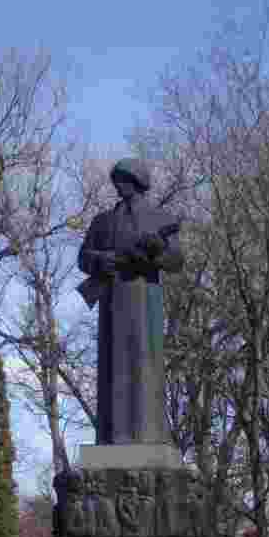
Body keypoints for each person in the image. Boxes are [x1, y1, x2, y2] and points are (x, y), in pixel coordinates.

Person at [77, 158, 184, 445]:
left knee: (144, 362)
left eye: (123, 179)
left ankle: (147, 436)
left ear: (137, 181)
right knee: (113, 364)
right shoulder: (103, 221)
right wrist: (103, 260)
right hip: (112, 298)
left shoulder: (161, 219)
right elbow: (83, 257)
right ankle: (112, 438)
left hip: (144, 297)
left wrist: (156, 251)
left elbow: (176, 261)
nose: (118, 185)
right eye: (116, 180)